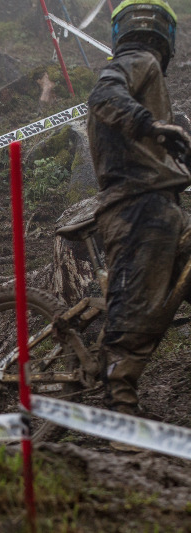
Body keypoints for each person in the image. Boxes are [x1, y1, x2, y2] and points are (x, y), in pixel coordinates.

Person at [87, 0, 191, 425]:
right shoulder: (137, 62)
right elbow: (103, 95)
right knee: (134, 319)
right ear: (166, 32)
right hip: (137, 209)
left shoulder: (154, 93)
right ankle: (120, 421)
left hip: (160, 208)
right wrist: (146, 123)